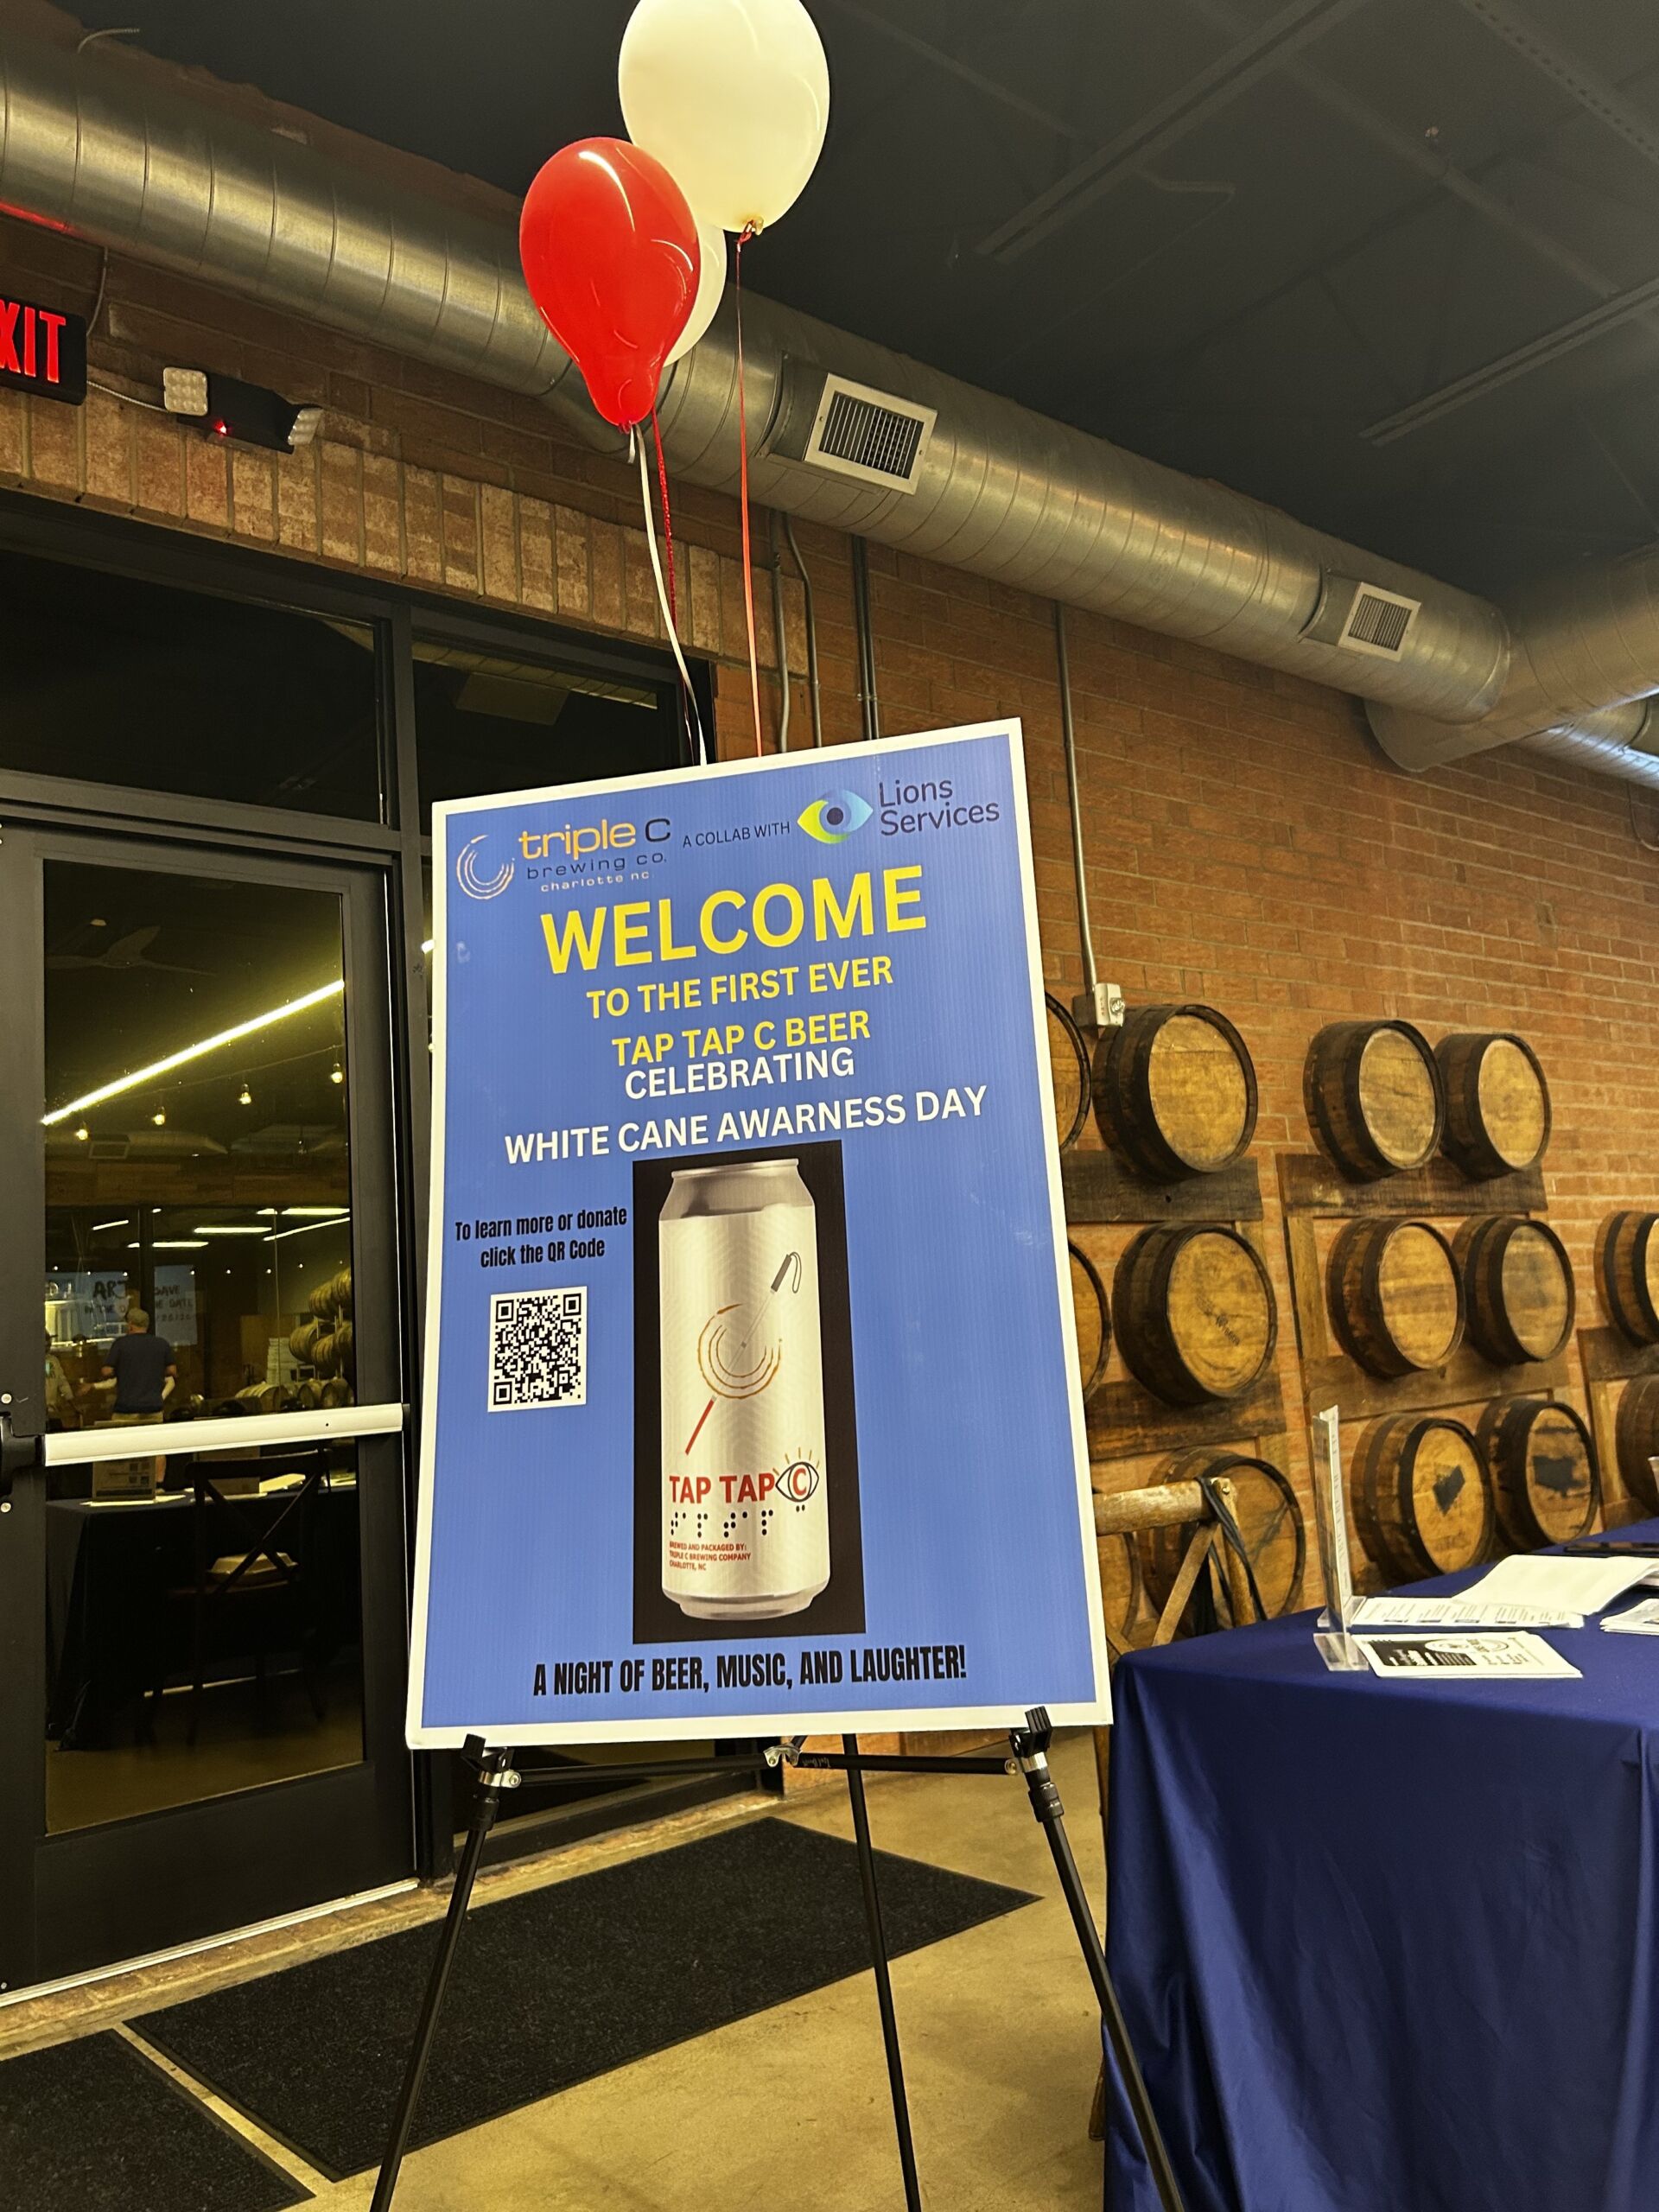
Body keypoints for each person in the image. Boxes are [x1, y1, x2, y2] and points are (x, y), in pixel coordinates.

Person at [99, 1306, 176, 1424]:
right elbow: (172, 1371)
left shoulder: (120, 1344)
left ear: (130, 1325)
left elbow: (106, 1371)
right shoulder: (162, 1344)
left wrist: (122, 1370)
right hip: (154, 1408)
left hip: (126, 1409)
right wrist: (155, 1370)